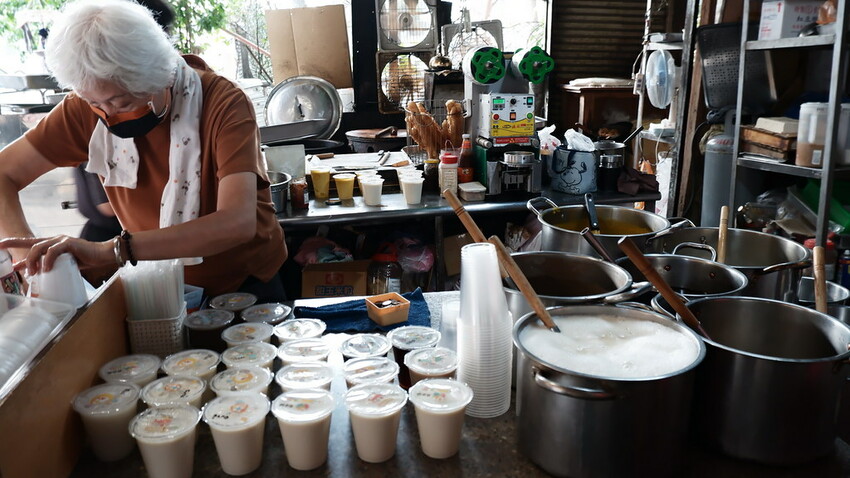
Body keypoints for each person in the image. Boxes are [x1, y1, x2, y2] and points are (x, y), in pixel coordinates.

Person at [0, 0, 287, 301]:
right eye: (96, 104)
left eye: (121, 102)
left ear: (158, 75)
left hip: (245, 281)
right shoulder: (85, 107)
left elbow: (237, 223)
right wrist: (28, 261)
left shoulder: (222, 103)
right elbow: (4, 172)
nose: (107, 115)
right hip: (157, 282)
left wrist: (114, 250)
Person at [73, 0, 176, 244]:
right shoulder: (88, 105)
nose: (109, 111)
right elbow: (107, 205)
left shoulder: (201, 96)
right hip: (109, 240)